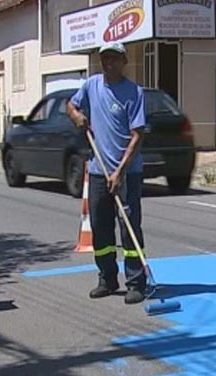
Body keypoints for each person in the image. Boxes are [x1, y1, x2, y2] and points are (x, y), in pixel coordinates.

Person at [67, 41, 147, 304]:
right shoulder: (91, 86)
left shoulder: (134, 93)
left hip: (127, 173)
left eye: (113, 59)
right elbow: (71, 105)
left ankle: (136, 282)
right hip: (99, 170)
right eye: (104, 59)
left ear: (123, 61)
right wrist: (76, 116)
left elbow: (137, 135)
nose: (108, 63)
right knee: (101, 229)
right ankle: (108, 279)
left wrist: (120, 171)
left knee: (129, 226)